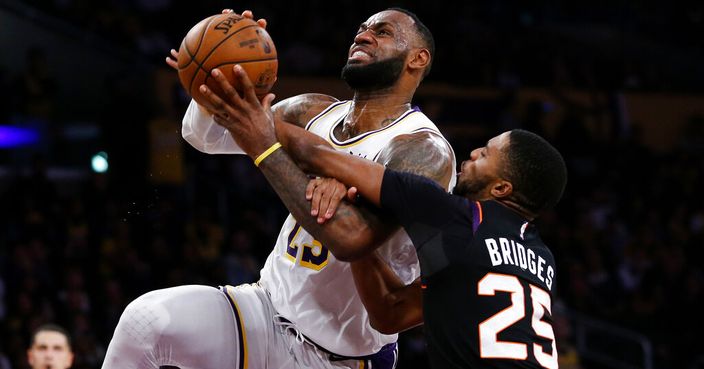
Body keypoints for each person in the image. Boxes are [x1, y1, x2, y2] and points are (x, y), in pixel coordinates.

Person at [103, 8, 456, 369]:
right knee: (146, 322)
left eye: (381, 32)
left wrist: (267, 147)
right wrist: (218, 77)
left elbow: (352, 238)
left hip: (341, 354)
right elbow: (203, 137)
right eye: (361, 28)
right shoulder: (312, 111)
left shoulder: (423, 149)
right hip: (265, 310)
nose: (362, 36)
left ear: (418, 58)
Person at [196, 65, 567, 368]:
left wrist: (254, 118)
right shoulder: (541, 260)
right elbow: (390, 313)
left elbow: (316, 155)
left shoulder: (454, 217)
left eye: (484, 154)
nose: (470, 154)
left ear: (501, 189)